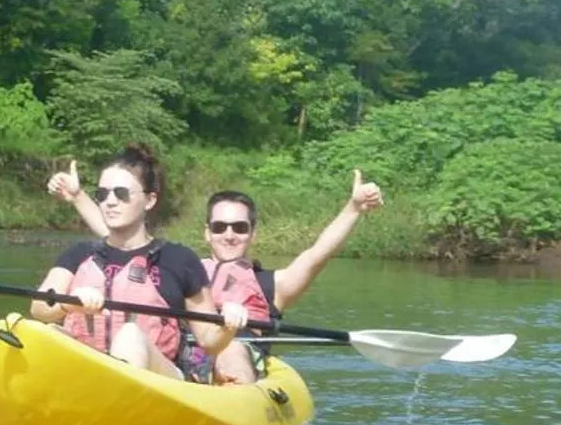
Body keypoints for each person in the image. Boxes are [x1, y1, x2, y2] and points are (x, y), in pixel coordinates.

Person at [47, 160, 384, 383]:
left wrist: (353, 208)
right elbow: (116, 237)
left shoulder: (271, 284)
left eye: (239, 227)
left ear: (252, 233)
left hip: (233, 349)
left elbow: (317, 255)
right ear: (207, 233)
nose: (229, 234)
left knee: (231, 351)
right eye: (220, 227)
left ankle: (233, 417)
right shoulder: (184, 266)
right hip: (183, 356)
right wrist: (78, 197)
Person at [30, 145, 250, 382]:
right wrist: (69, 304)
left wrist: (228, 325)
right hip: (87, 373)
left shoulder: (179, 259)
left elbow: (208, 340)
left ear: (149, 200)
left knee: (130, 336)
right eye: (103, 194)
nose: (110, 202)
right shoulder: (79, 254)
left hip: (160, 381)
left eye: (121, 194)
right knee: (43, 333)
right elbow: (39, 308)